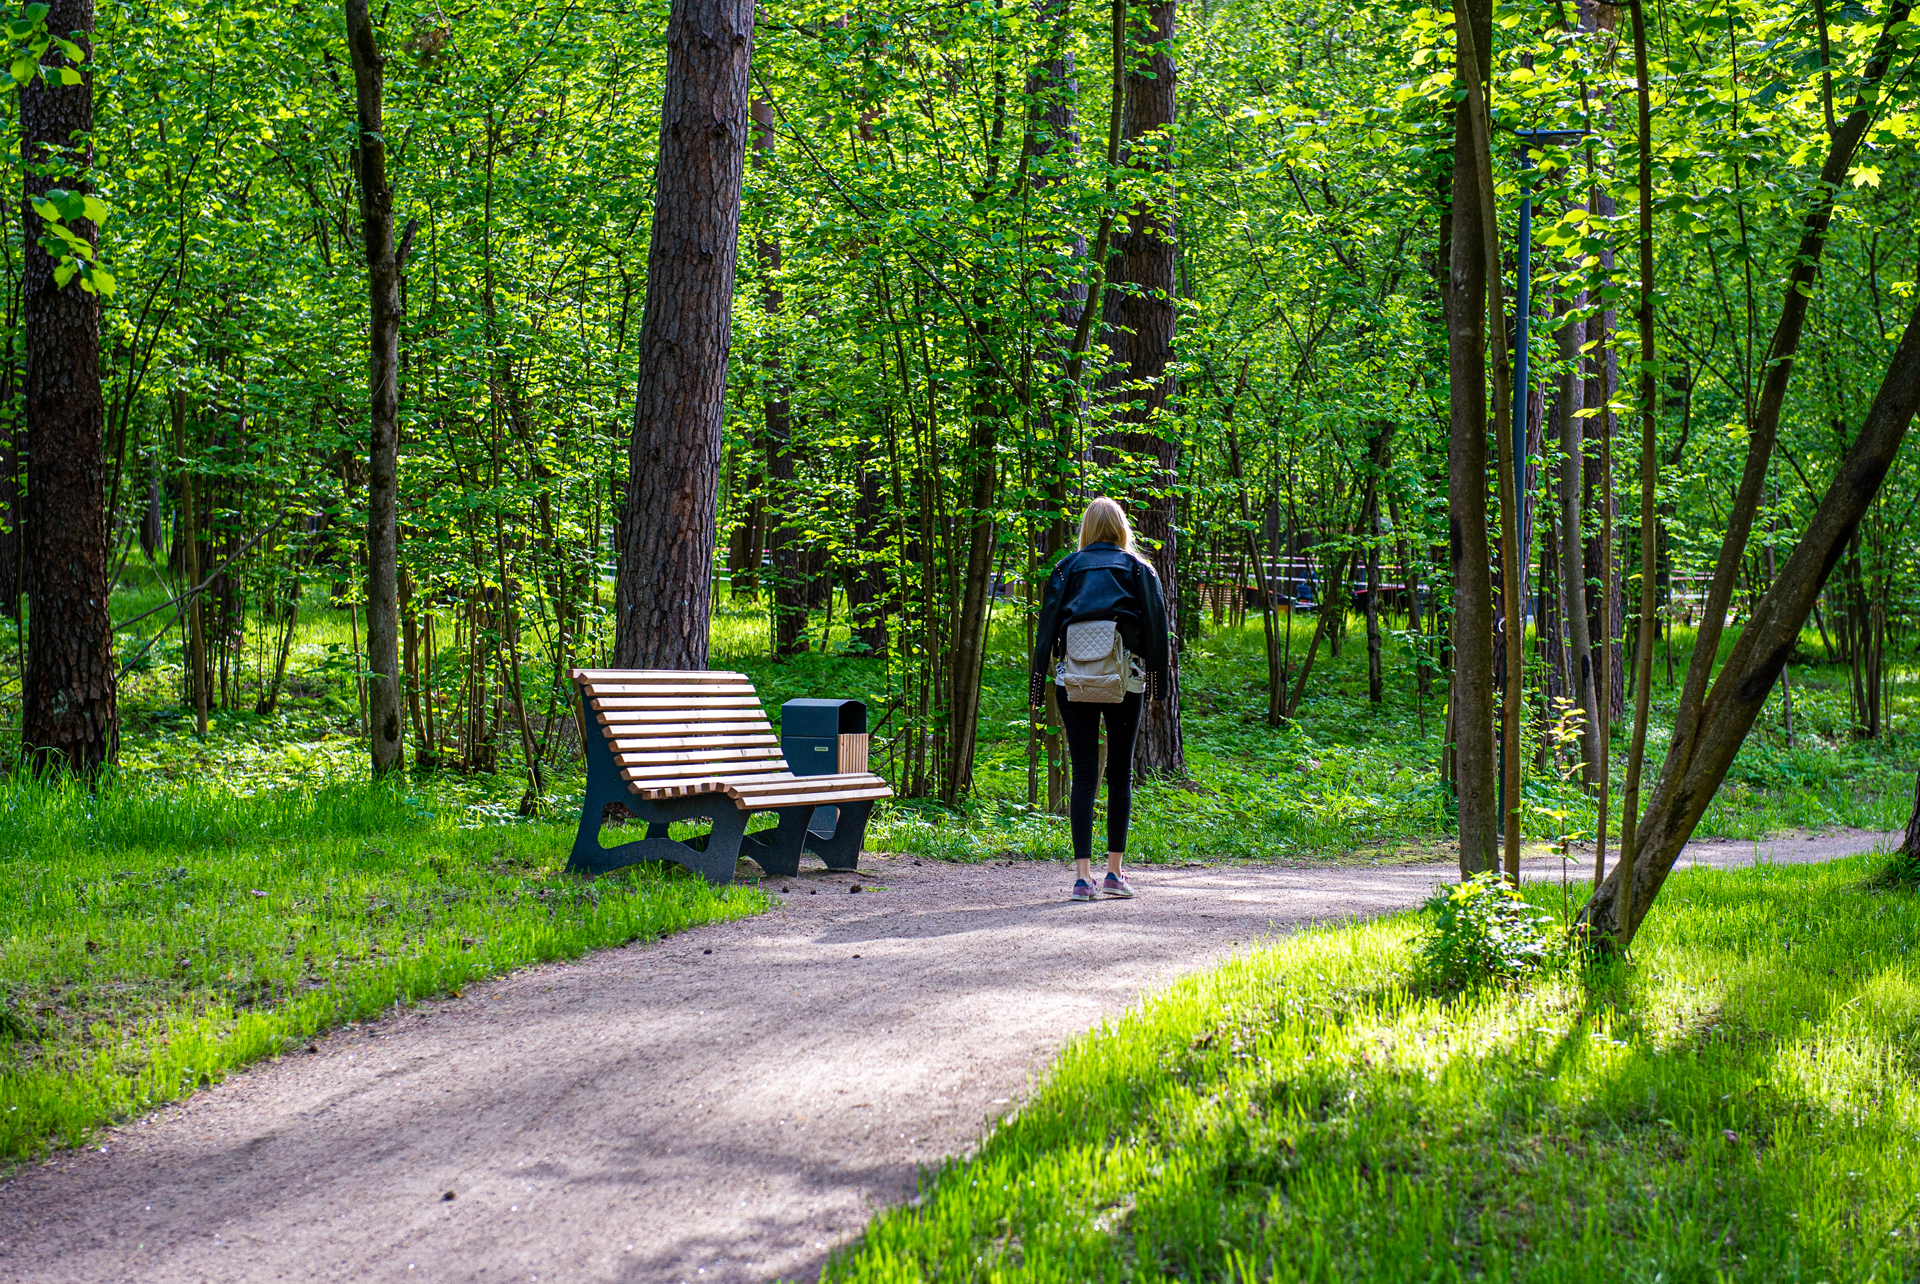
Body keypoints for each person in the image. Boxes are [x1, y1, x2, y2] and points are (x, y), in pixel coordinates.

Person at [1028, 497, 1172, 902]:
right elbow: (1157, 630)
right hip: (1123, 681)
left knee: (1084, 773)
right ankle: (1114, 873)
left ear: (1086, 530)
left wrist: (1037, 685)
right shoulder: (1140, 570)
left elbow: (1046, 632)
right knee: (1120, 773)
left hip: (1072, 683)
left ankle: (1080, 878)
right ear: (1122, 528)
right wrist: (1159, 686)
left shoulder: (1065, 569)